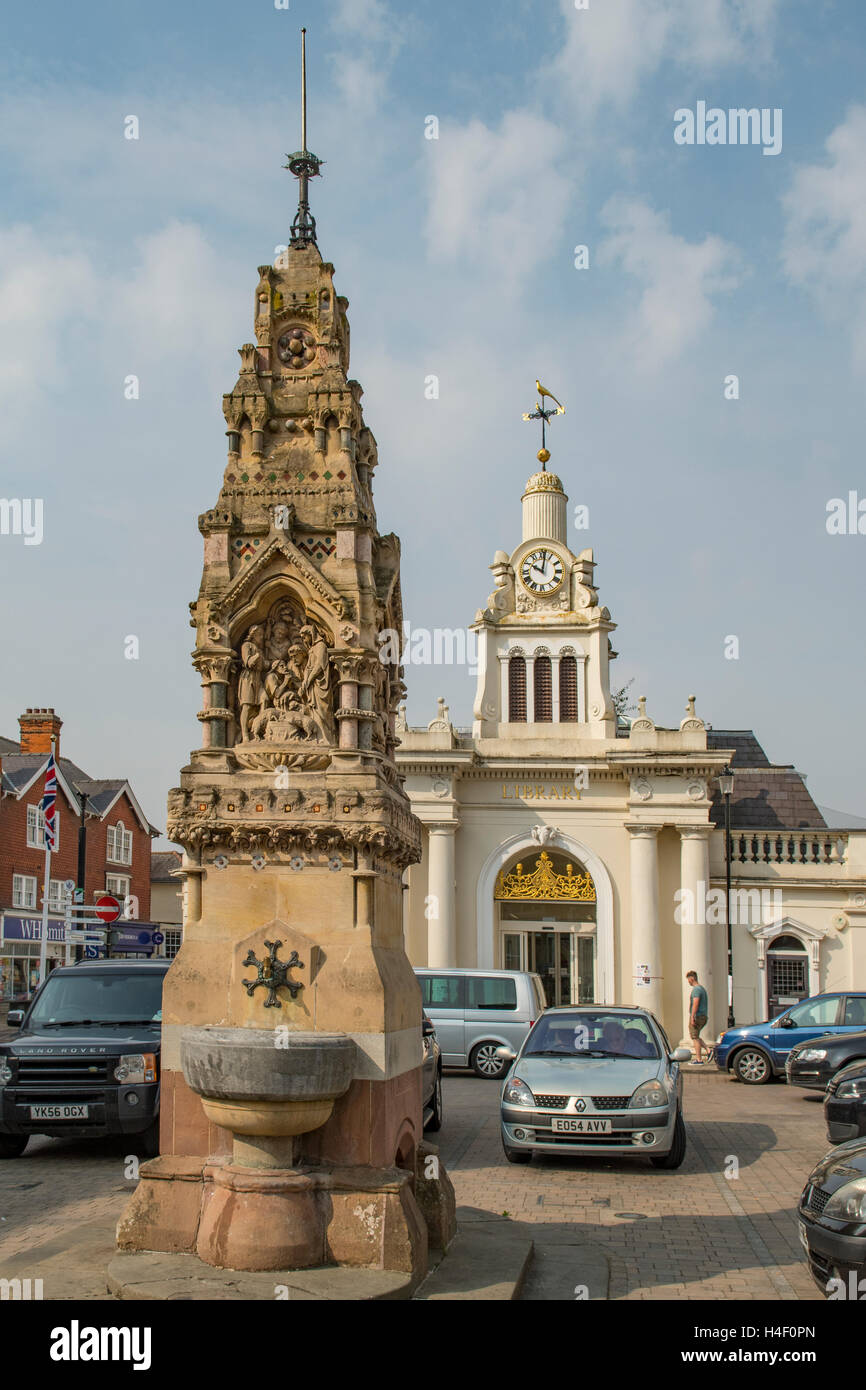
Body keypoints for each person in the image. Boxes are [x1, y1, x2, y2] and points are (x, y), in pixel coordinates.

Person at [686, 971, 709, 1063]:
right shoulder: (702, 989)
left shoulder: (696, 990)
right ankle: (708, 1050)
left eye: (688, 980)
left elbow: (696, 1003)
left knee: (695, 1037)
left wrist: (692, 1016)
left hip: (697, 1016)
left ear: (692, 978)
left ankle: (699, 1059)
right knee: (696, 1036)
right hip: (702, 1016)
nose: (688, 982)